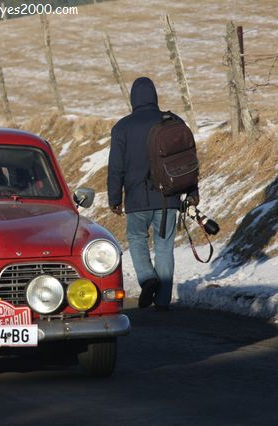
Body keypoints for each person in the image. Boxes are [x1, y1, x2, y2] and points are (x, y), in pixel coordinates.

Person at [107, 76, 199, 311]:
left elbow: (116, 167)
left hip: (137, 200)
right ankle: (162, 300)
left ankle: (148, 278)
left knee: (137, 240)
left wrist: (115, 199)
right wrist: (192, 192)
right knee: (164, 246)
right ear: (154, 97)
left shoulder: (123, 127)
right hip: (168, 198)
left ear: (133, 99)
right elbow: (187, 161)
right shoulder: (172, 121)